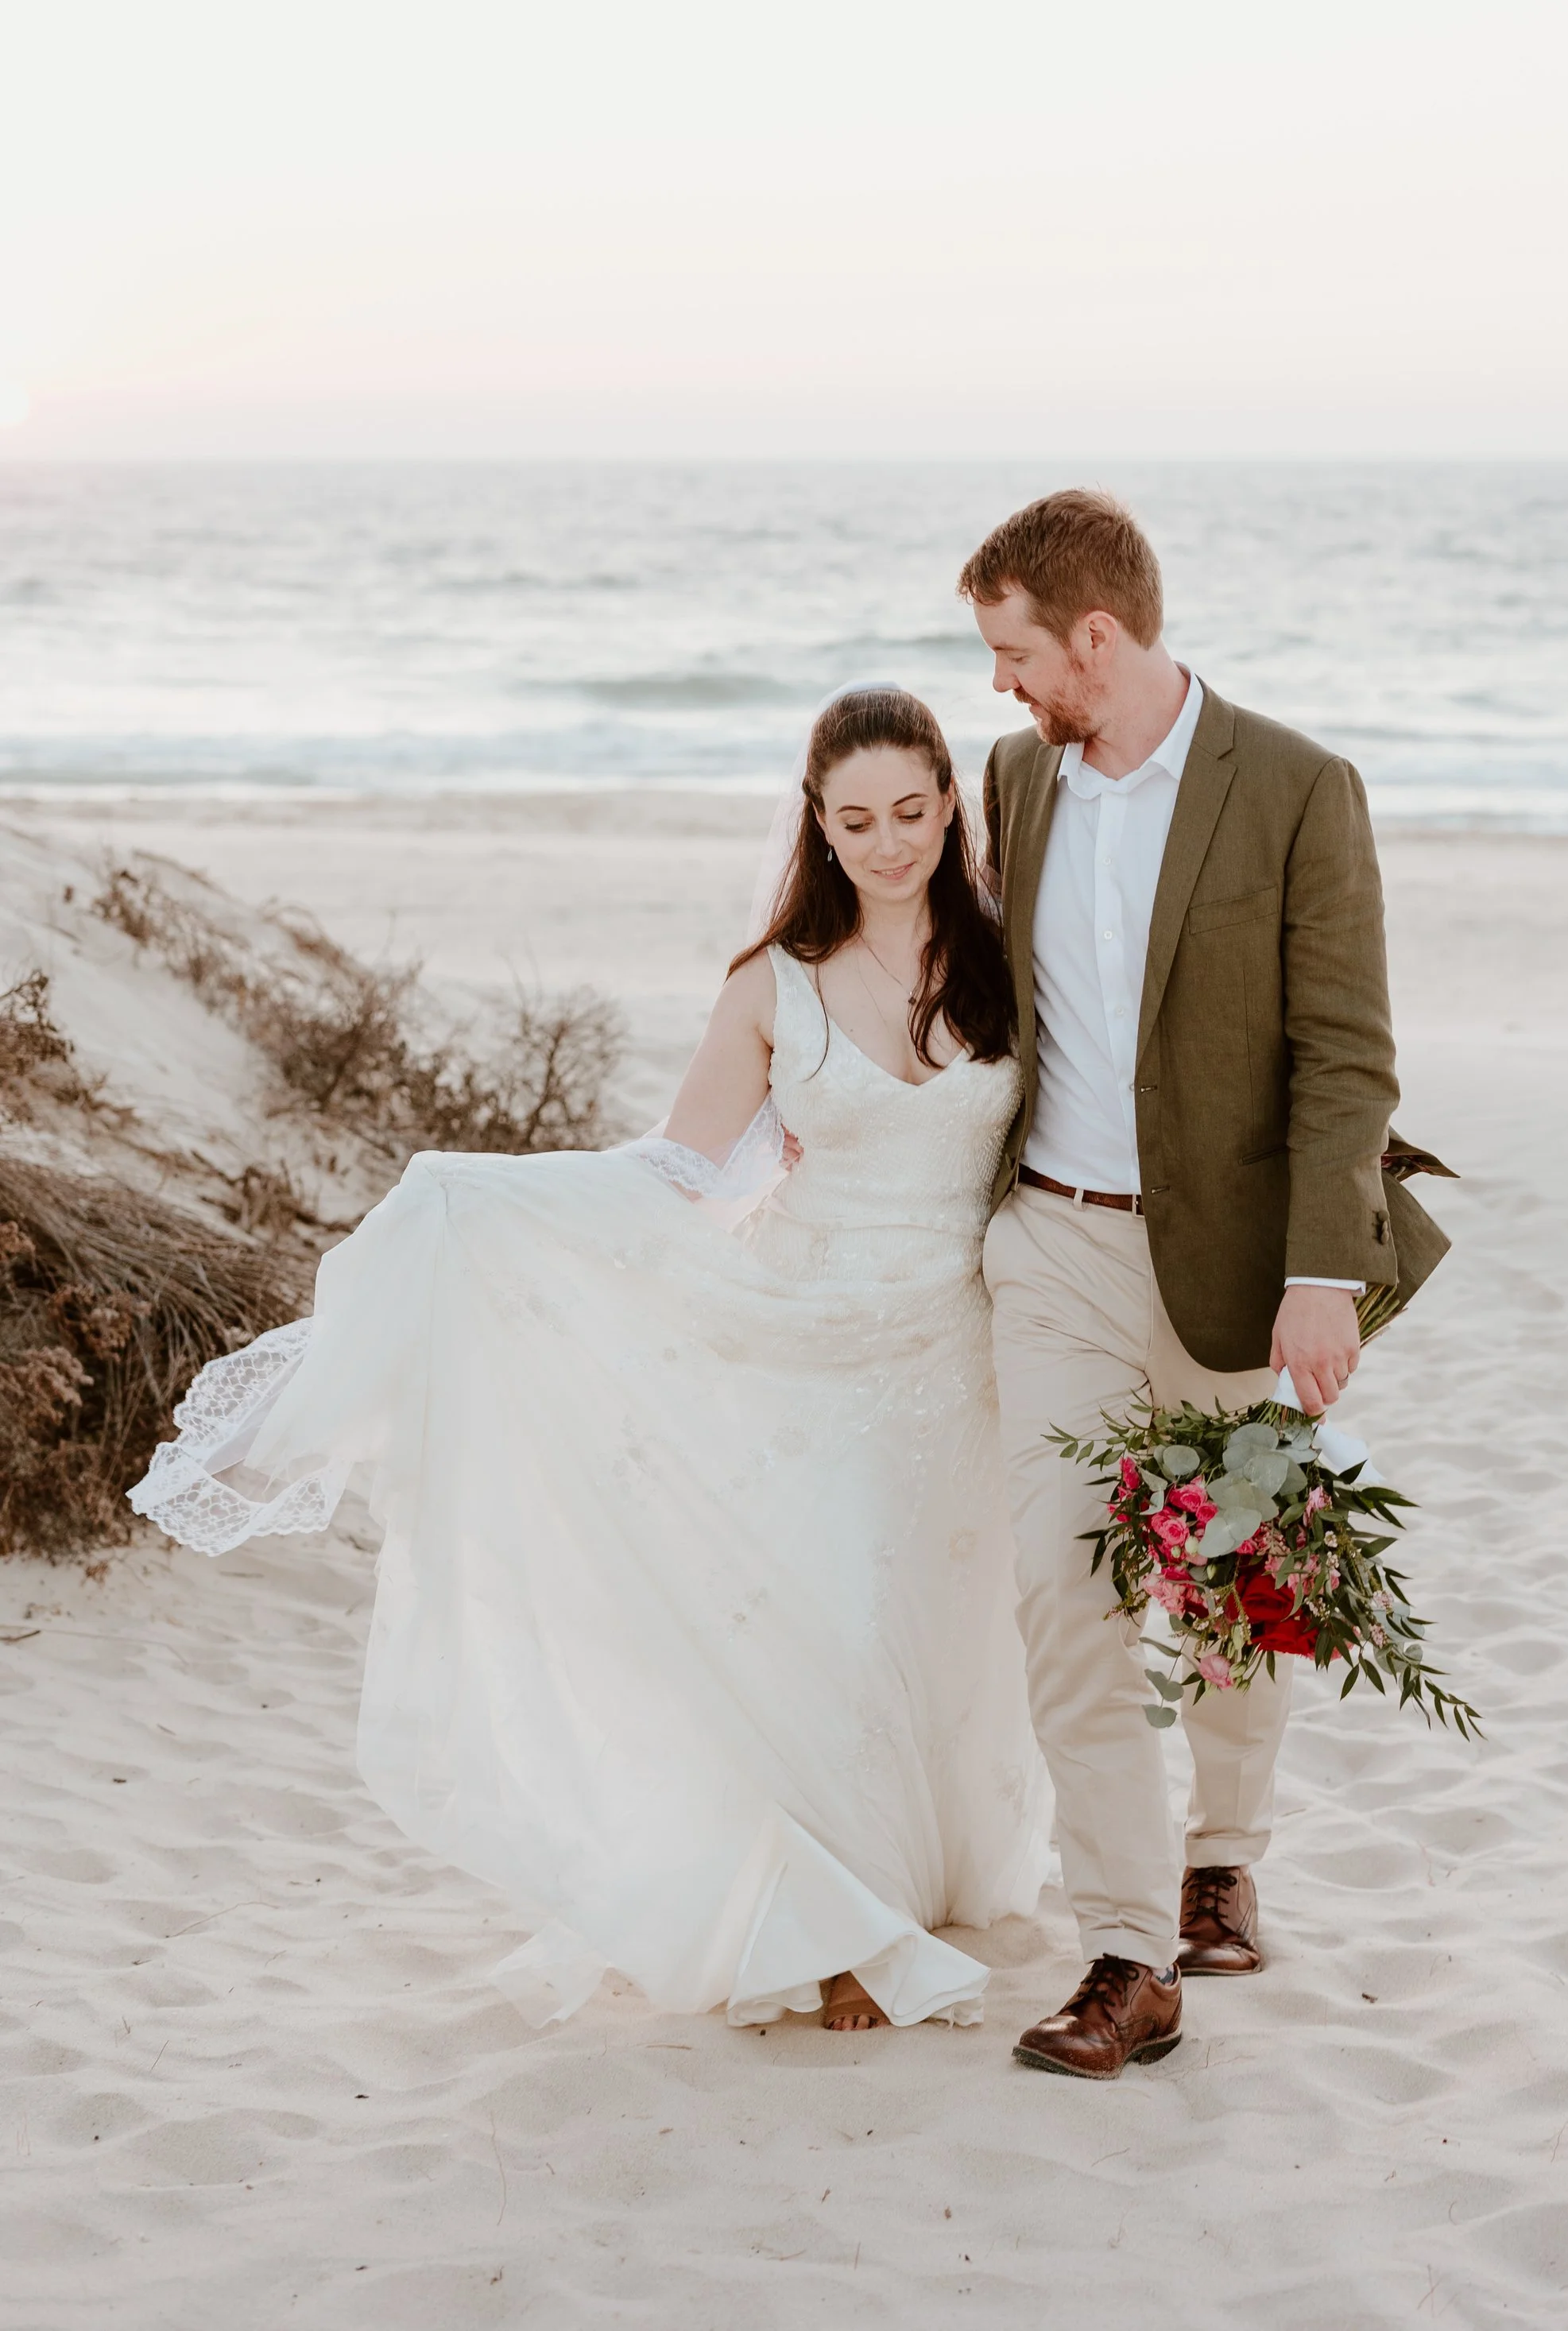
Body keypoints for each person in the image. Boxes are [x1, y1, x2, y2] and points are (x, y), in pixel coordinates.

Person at [130, 687, 1050, 2036]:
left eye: (912, 810)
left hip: (960, 1350)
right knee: (833, 1625)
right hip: (810, 1341)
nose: (889, 841)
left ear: (949, 800)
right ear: (819, 822)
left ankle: (920, 1874)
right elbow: (678, 1173)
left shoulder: (1003, 962)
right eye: (855, 819)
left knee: (937, 1620)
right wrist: (482, 1201)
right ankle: (840, 1927)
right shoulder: (772, 983)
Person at [961, 490, 1447, 2081]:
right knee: (1058, 1578)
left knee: (1236, 1588)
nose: (999, 687)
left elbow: (1343, 1054)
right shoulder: (1016, 779)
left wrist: (1321, 1271)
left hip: (1236, 1259)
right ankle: (1118, 1950)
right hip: (1052, 1243)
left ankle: (1220, 1852)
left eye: (1013, 651)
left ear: (1095, 638)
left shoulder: (1298, 788)